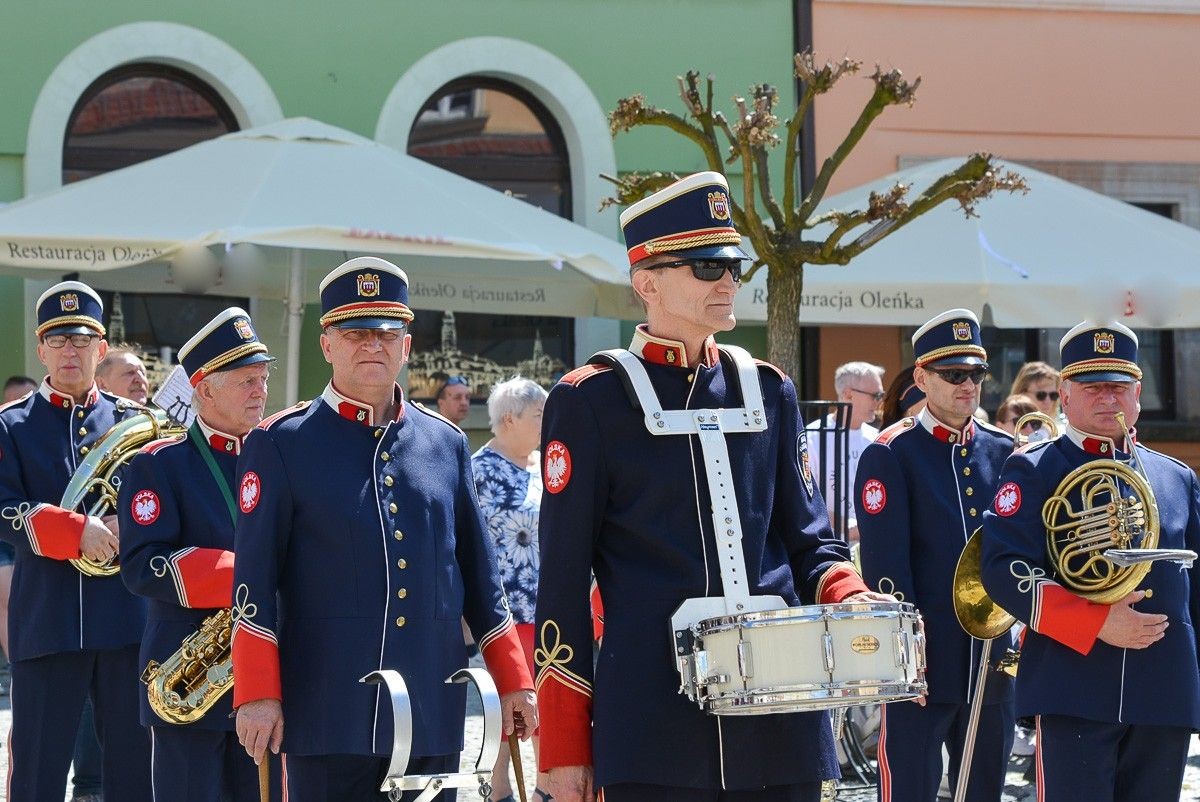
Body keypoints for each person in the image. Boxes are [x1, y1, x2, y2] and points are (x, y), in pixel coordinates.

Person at [535, 171, 889, 802]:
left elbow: (808, 538)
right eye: (705, 266)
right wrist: (564, 744)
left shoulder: (770, 389)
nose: (726, 280)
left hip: (780, 715)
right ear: (646, 282)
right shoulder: (590, 399)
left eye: (732, 263)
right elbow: (561, 579)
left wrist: (850, 595)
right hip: (653, 719)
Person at [232, 257, 535, 802]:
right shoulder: (280, 443)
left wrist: (513, 678)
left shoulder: (446, 443)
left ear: (407, 346)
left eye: (385, 332)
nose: (371, 345)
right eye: (354, 333)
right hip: (326, 709)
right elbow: (253, 582)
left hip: (430, 700)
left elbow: (481, 577)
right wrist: (257, 693)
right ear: (327, 345)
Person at [981, 321, 1200, 802]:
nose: (1107, 398)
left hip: (1164, 691)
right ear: (1064, 393)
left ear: (1138, 393)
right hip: (1073, 687)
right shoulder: (1033, 467)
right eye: (1092, 386)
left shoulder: (1176, 477)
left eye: (1118, 387)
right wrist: (1095, 621)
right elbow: (1002, 568)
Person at [0, 281, 152, 801]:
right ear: (41, 349)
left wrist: (134, 525)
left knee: (135, 775)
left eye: (82, 339)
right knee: (37, 777)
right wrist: (75, 531)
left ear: (100, 348)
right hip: (48, 621)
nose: (70, 350)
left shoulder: (135, 423)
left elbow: (163, 506)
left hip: (125, 623)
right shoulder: (11, 426)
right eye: (58, 339)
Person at [855, 308, 1015, 802]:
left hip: (991, 661)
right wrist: (907, 662)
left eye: (976, 374)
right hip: (924, 662)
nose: (968, 385)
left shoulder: (1006, 450)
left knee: (986, 788)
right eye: (953, 375)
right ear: (921, 377)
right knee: (911, 789)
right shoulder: (891, 453)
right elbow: (887, 573)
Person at [119, 308, 278, 801]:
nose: (260, 391)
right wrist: (247, 576)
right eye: (246, 380)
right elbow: (143, 566)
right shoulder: (157, 465)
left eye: (263, 379)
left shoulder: (280, 458)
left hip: (266, 675)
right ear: (204, 388)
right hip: (189, 677)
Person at [472, 377, 551, 802]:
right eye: (538, 416)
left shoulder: (543, 465)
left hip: (546, 607)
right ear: (508, 420)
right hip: (506, 610)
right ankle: (504, 790)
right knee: (515, 707)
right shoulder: (480, 470)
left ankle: (542, 788)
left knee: (546, 705)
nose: (546, 423)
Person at [808, 362, 885, 543]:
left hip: (871, 546)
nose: (879, 401)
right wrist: (849, 528)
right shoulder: (813, 437)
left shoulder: (878, 438)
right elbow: (807, 500)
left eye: (881, 395)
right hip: (830, 547)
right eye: (875, 395)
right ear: (849, 395)